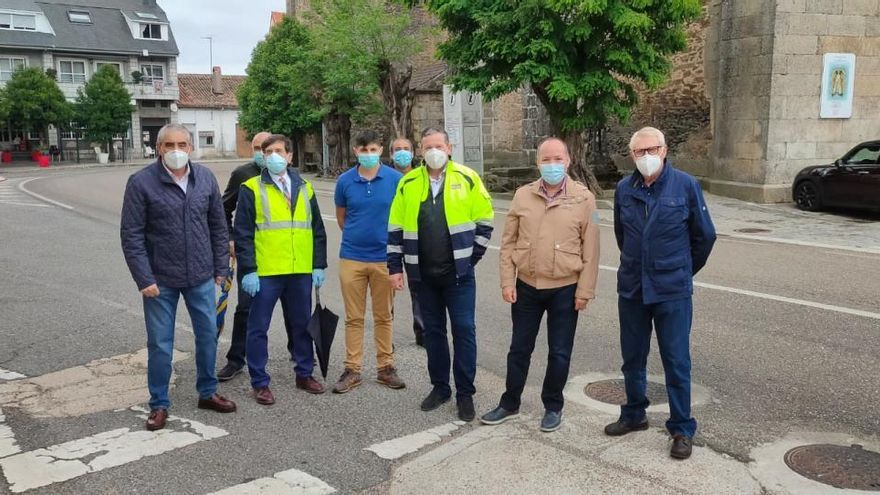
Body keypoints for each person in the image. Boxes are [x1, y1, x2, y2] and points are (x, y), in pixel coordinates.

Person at [604, 127, 716, 460]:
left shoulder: (685, 185)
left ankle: (682, 427)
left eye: (652, 149)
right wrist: (642, 268)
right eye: (639, 152)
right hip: (633, 288)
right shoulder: (625, 189)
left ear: (664, 150)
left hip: (672, 291)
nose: (646, 157)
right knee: (632, 357)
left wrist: (681, 270)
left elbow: (704, 237)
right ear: (632, 156)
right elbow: (622, 236)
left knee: (676, 361)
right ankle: (634, 413)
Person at [121, 123, 236, 431]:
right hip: (160, 280)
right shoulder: (141, 183)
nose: (176, 150)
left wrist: (220, 270)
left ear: (190, 148)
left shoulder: (205, 178)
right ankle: (159, 404)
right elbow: (131, 235)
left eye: (182, 144)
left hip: (200, 275)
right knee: (160, 343)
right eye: (169, 145)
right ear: (159, 148)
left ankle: (208, 392)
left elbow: (218, 226)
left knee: (208, 336)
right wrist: (143, 278)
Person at [480, 137, 600, 433]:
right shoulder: (522, 195)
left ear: (568, 161)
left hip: (565, 288)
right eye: (546, 160)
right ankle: (509, 403)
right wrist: (508, 281)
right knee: (519, 349)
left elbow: (592, 250)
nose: (552, 165)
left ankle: (553, 406)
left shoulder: (584, 199)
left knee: (559, 352)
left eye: (557, 159)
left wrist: (584, 291)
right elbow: (507, 244)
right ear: (538, 163)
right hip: (527, 287)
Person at [387, 127, 494, 422]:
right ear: (421, 151)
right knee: (433, 334)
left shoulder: (467, 178)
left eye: (438, 145)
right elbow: (395, 228)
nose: (433, 151)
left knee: (464, 331)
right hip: (423, 277)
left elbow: (485, 221)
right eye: (427, 146)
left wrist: (471, 258)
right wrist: (395, 268)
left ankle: (465, 393)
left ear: (449, 147)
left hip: (459, 275)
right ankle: (440, 387)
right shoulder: (408, 182)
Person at [234, 134, 328, 405]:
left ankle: (304, 373)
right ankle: (260, 382)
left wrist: (318, 264)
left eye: (279, 151)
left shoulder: (305, 188)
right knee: (258, 328)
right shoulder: (251, 188)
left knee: (301, 325)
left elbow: (317, 230)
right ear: (263, 157)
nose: (274, 156)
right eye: (268, 152)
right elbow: (242, 233)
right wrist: (248, 269)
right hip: (266, 272)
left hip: (299, 271)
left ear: (290, 156)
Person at [332, 131, 405, 394]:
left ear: (381, 149)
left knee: (384, 315)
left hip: (385, 259)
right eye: (363, 150)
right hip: (352, 257)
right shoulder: (345, 182)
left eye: (373, 149)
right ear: (355, 151)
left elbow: (402, 219)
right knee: (354, 317)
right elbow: (342, 218)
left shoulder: (396, 180)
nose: (368, 154)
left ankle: (386, 367)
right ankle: (352, 369)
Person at [216, 131, 271, 382]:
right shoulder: (242, 174)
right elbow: (223, 209)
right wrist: (230, 238)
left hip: (280, 254)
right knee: (246, 307)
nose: (263, 153)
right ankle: (236, 359)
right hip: (250, 253)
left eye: (267, 148)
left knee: (293, 309)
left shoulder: (288, 176)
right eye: (258, 147)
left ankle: (299, 353)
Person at [388, 136, 425, 347]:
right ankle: (386, 334)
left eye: (406, 148)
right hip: (391, 238)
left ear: (413, 153)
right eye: (397, 149)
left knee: (419, 288)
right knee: (388, 288)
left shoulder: (421, 177)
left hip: (416, 240)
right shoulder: (385, 178)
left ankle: (422, 331)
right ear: (391, 154)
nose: (402, 152)